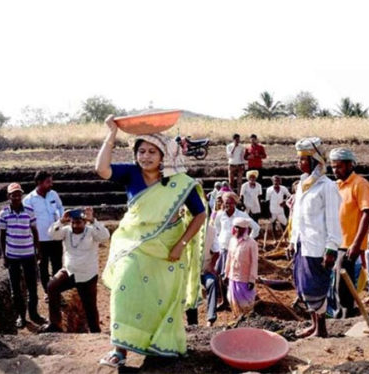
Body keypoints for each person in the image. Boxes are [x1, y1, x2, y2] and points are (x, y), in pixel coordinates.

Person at [96, 115, 207, 368]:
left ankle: (159, 345)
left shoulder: (180, 183)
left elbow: (199, 214)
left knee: (160, 298)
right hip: (133, 245)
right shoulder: (132, 173)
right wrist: (111, 134)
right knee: (124, 290)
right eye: (141, 151)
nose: (145, 157)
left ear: (164, 155)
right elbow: (102, 170)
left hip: (167, 248)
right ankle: (119, 350)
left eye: (151, 152)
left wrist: (181, 244)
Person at [289, 137, 341, 338]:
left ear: (314, 161)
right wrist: (293, 241)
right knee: (303, 286)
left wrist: (331, 247)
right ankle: (313, 325)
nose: (299, 163)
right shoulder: (302, 184)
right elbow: (298, 216)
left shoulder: (327, 186)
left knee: (316, 287)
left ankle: (322, 329)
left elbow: (333, 220)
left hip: (319, 246)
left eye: (303, 159)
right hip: (304, 244)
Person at [39, 207, 109, 333]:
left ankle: (95, 332)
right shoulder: (66, 231)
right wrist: (61, 221)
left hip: (87, 274)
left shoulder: (92, 231)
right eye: (73, 222)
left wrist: (93, 220)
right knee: (52, 286)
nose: (75, 225)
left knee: (90, 306)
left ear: (84, 222)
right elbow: (52, 234)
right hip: (69, 271)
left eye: (79, 222)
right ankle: (55, 324)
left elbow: (105, 236)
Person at [329, 147, 369, 319]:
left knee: (343, 284)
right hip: (338, 242)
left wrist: (356, 243)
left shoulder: (360, 184)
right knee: (337, 283)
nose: (335, 170)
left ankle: (346, 316)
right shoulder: (338, 186)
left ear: (349, 165)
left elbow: (366, 213)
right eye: (333, 167)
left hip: (349, 244)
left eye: (338, 167)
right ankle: (340, 314)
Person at [0, 183, 46, 328]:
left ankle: (34, 314)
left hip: (28, 255)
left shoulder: (29, 212)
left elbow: (35, 231)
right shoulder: (3, 213)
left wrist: (37, 250)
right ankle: (21, 317)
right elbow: (2, 235)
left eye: (19, 194)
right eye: (14, 194)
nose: (17, 197)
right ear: (9, 197)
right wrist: (4, 256)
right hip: (12, 256)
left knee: (32, 286)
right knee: (15, 290)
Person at [23, 171, 65, 299]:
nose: (51, 184)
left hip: (55, 236)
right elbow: (28, 222)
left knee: (57, 265)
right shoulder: (29, 200)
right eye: (48, 182)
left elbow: (60, 207)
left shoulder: (53, 194)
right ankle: (48, 292)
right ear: (39, 183)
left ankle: (57, 291)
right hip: (40, 239)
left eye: (51, 181)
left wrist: (61, 217)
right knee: (43, 267)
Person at [224, 217, 259, 316]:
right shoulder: (232, 241)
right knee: (231, 298)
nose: (235, 230)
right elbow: (229, 258)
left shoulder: (251, 243)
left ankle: (246, 318)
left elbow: (254, 263)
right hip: (232, 276)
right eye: (234, 227)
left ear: (244, 229)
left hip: (244, 278)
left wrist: (252, 280)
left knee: (245, 302)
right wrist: (226, 273)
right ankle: (237, 316)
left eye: (238, 228)